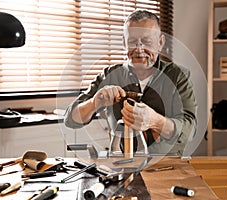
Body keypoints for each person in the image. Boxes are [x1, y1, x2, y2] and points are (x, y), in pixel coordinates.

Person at [64, 10, 197, 156]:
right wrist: (95, 102)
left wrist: (155, 121)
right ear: (124, 43)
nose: (139, 50)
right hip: (120, 164)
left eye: (147, 42)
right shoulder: (109, 76)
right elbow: (70, 119)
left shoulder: (178, 76)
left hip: (167, 166)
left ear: (160, 43)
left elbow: (190, 130)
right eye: (133, 42)